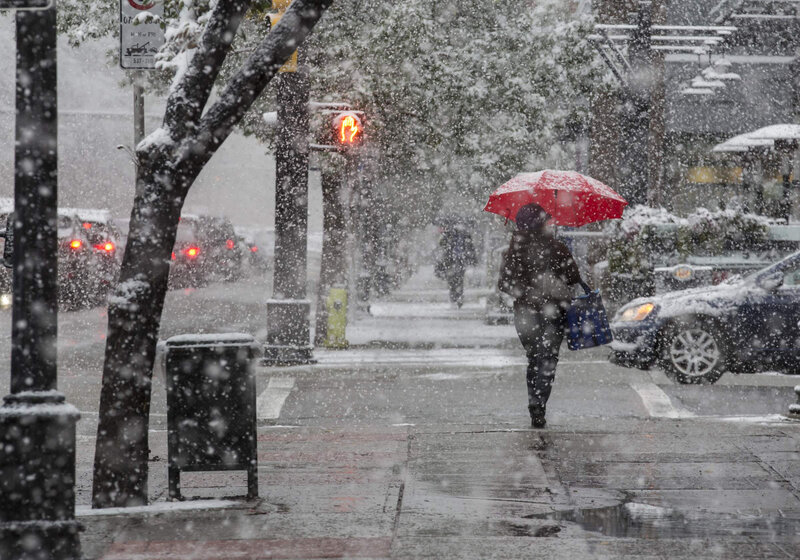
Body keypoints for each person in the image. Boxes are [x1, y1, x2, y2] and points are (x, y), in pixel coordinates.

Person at [498, 203, 590, 428]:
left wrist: (526, 292)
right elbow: (572, 277)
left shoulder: (514, 250)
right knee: (548, 360)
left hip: (524, 315)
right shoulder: (556, 247)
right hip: (553, 313)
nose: (550, 223)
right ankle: (539, 405)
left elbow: (505, 283)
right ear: (540, 223)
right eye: (546, 220)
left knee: (534, 359)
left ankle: (534, 404)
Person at [436, 223, 477, 308]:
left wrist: (472, 259)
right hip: (452, 261)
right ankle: (456, 297)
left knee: (457, 279)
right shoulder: (450, 234)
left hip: (458, 261)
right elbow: (441, 244)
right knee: (454, 279)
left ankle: (457, 297)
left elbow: (470, 247)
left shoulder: (464, 235)